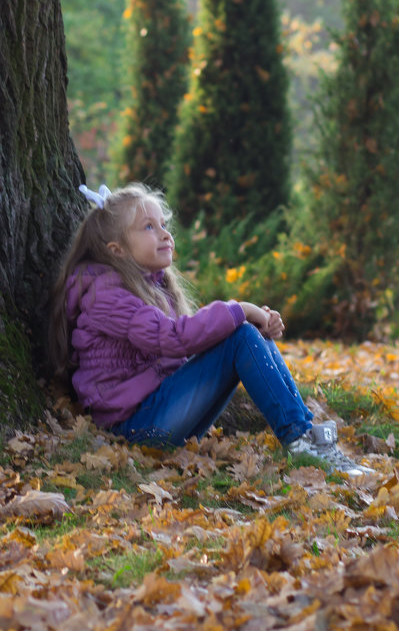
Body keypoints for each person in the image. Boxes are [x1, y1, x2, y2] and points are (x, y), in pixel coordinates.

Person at [49, 182, 373, 476]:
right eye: (148, 227)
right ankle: (300, 441)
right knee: (241, 333)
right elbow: (174, 338)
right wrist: (241, 310)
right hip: (134, 429)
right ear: (115, 249)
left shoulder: (148, 285)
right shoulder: (107, 296)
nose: (164, 234)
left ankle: (307, 437)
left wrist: (254, 321)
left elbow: (186, 339)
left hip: (154, 414)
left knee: (246, 334)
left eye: (163, 224)